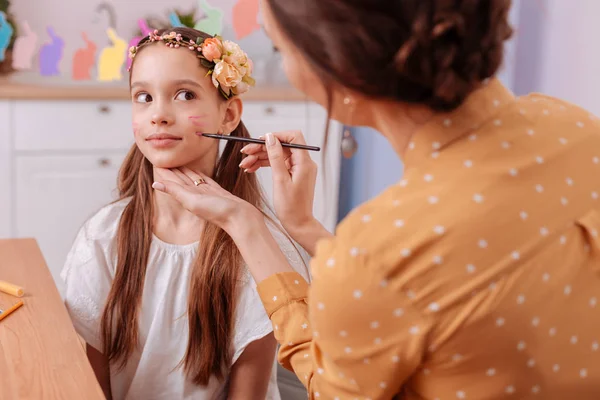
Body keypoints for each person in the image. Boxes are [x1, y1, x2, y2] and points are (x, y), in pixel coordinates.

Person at [152, 1, 600, 399]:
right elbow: (419, 292)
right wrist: (304, 226)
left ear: (340, 65)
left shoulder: (380, 254)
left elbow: (334, 384)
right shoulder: (572, 125)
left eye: (281, 50)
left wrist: (245, 223)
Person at [61, 27, 308, 400]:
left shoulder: (262, 251)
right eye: (143, 96)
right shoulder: (102, 236)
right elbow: (92, 384)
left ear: (228, 116)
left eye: (185, 95)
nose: (158, 114)